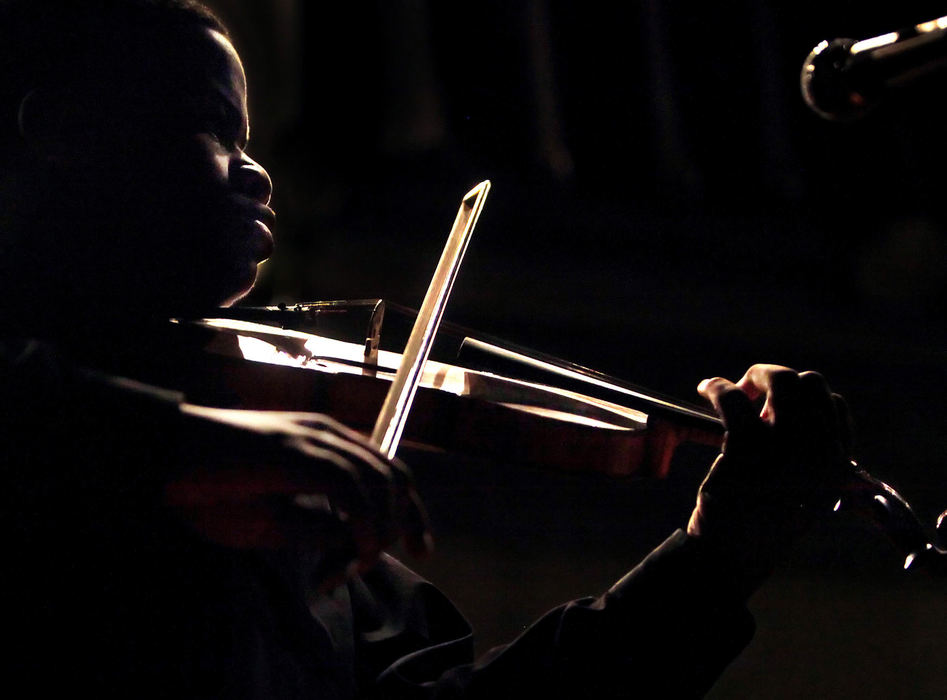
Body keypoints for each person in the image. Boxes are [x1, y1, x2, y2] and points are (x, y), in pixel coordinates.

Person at [0, 1, 854, 697]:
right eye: (213, 126)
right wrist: (176, 446)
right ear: (67, 129)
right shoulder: (75, 423)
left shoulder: (297, 520)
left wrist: (714, 558)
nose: (257, 174)